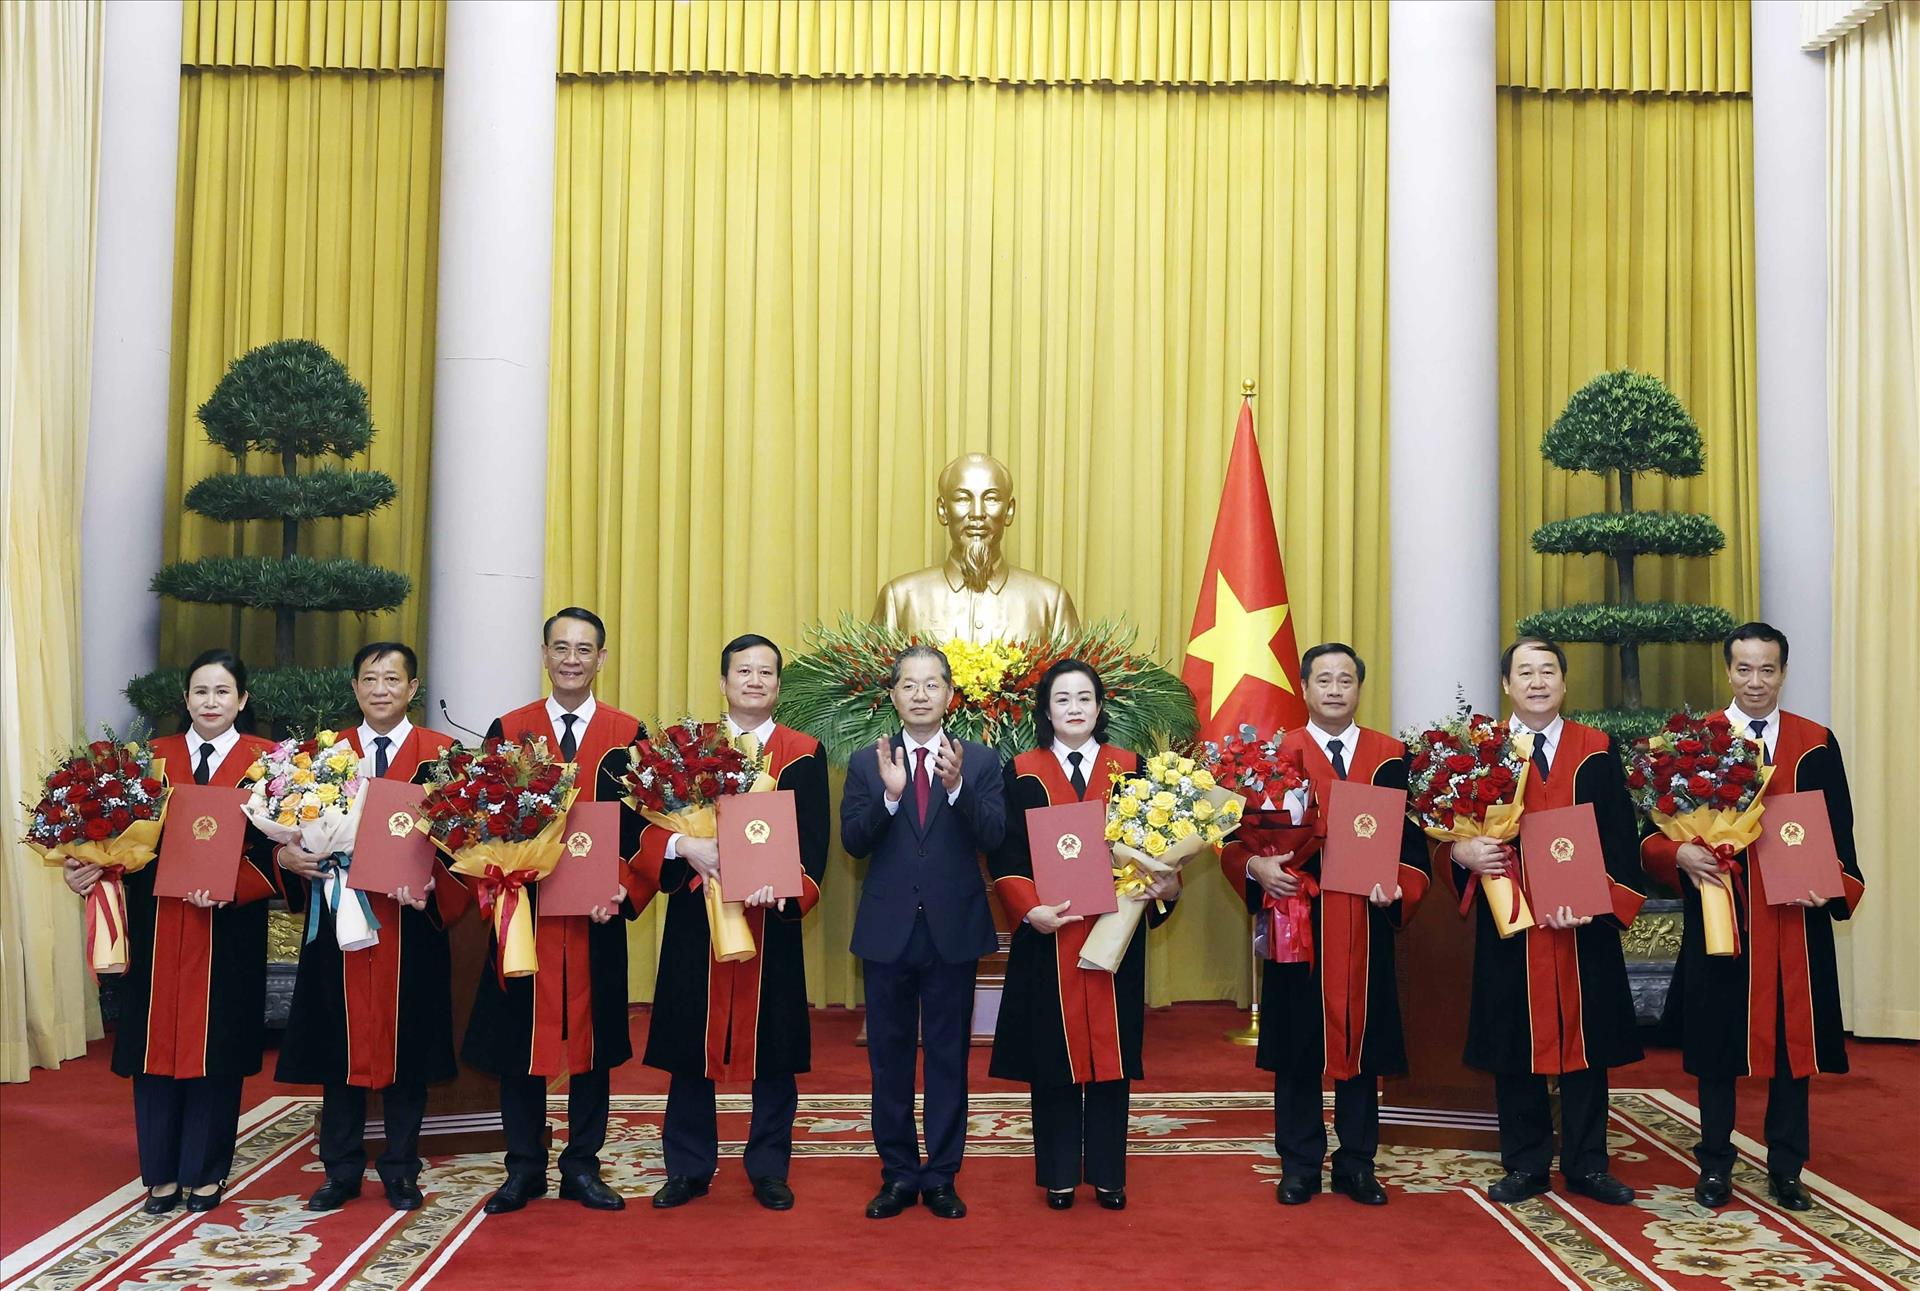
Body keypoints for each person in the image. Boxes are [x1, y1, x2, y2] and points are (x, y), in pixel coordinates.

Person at [1640, 622, 1865, 1211]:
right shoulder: (1693, 743)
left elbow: (1840, 835)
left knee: (1793, 1052)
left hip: (1794, 923)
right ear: (1728, 670)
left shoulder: (1815, 743)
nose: (1756, 681)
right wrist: (1677, 854)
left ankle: (1787, 1167)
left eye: (1767, 669)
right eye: (1744, 669)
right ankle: (1714, 1163)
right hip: (1724, 917)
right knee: (1716, 1047)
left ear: (1784, 671)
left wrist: (1830, 889)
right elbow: (1650, 834)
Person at [61, 649, 276, 1215]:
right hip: (156, 922)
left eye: (223, 691)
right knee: (154, 1046)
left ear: (242, 699)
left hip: (227, 927)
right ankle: (158, 1172)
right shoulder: (149, 761)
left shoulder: (269, 763)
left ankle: (206, 1172)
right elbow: (113, 840)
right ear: (186, 699)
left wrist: (231, 886)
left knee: (217, 1046)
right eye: (201, 691)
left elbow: (285, 850)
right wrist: (86, 869)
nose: (211, 701)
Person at [1220, 643, 1431, 1206]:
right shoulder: (1274, 755)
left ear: (1359, 688)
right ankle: (1299, 1163)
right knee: (1296, 1045)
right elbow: (1234, 841)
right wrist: (1258, 868)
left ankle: (1358, 1163)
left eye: (1345, 679)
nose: (1335, 689)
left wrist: (1400, 888)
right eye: (1324, 679)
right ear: (1305, 688)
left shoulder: (1391, 757)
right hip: (1298, 921)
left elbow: (1413, 848)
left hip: (1364, 920)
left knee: (1363, 1044)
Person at [634, 634, 831, 1213]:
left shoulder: (802, 752)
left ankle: (769, 1168)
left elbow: (814, 844)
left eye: (765, 672)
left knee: (775, 1047)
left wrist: (785, 887)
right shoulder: (686, 748)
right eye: (743, 671)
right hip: (697, 916)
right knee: (688, 1041)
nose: (754, 681)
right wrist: (683, 847)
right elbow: (642, 825)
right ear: (723, 682)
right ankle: (688, 1167)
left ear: (778, 685)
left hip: (770, 922)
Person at [1449, 638, 1646, 1206]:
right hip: (1512, 921)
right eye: (1525, 673)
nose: (1537, 682)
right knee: (1515, 1041)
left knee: (1588, 1045)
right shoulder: (1480, 753)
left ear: (1564, 681)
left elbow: (1620, 840)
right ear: (1506, 684)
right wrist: (1462, 854)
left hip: (1584, 924)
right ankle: (1525, 1163)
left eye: (1547, 672)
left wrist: (1599, 902)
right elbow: (1443, 833)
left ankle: (1588, 1165)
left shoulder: (1596, 750)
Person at [464, 607, 647, 1214]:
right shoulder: (510, 729)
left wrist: (623, 887)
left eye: (584, 649)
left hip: (596, 916)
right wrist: (502, 878)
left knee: (594, 1044)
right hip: (527, 914)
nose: (572, 659)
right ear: (544, 655)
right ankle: (523, 1167)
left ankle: (582, 1166)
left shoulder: (627, 734)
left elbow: (647, 824)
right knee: (520, 1041)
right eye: (561, 647)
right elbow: (482, 819)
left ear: (601, 658)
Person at [273, 642, 468, 1212]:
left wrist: (432, 885)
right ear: (355, 687)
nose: (381, 689)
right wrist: (290, 857)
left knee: (409, 1047)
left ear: (413, 688)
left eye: (392, 679)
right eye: (369, 679)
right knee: (338, 1043)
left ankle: (402, 1169)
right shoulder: (323, 756)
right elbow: (289, 832)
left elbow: (465, 845)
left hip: (411, 924)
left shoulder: (443, 756)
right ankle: (340, 1169)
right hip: (339, 920)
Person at [988, 659, 1177, 1211]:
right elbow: (1006, 854)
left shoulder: (1132, 770)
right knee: (1053, 1056)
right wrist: (1030, 909)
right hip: (1049, 935)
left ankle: (1110, 1175)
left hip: (1117, 932)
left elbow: (1161, 848)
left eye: (1084, 698)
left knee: (1113, 1052)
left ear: (1099, 707)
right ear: (1046, 711)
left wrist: (1166, 885)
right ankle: (1059, 1174)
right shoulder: (1022, 772)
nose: (1074, 708)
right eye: (1062, 699)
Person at [843, 645, 1006, 1220]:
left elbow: (995, 836)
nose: (919, 695)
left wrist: (959, 791)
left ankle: (941, 1176)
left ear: (949, 695)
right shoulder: (867, 760)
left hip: (952, 930)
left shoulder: (979, 761)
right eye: (908, 685)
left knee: (947, 1057)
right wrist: (889, 797)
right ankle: (896, 1174)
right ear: (892, 695)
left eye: (931, 685)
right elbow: (853, 842)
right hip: (888, 930)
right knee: (887, 1061)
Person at [871, 453, 1079, 644]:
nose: (977, 513)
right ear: (943, 510)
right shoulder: (900, 599)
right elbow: (872, 671)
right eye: (962, 498)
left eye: (991, 498)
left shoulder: (1051, 602)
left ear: (1009, 510)